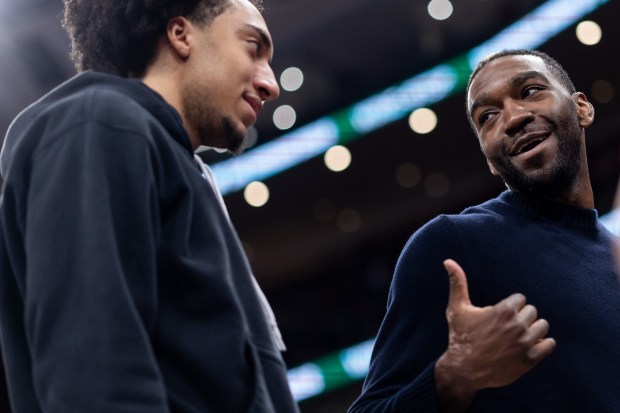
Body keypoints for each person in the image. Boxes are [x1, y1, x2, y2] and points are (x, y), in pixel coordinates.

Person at [0, 0, 300, 412]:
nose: (271, 84)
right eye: (253, 47)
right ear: (181, 35)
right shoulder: (98, 125)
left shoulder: (182, 166)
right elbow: (94, 373)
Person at [349, 49, 620, 412]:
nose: (513, 118)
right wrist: (455, 376)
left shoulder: (615, 256)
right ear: (490, 160)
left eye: (530, 92)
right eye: (487, 117)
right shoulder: (452, 244)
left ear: (582, 108)